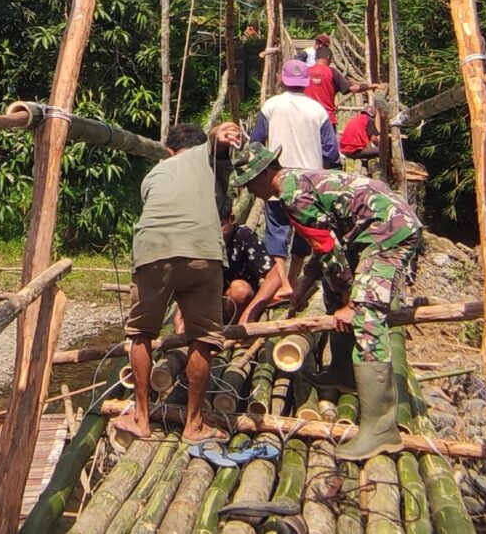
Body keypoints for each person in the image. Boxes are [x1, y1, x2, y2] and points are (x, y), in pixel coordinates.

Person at [230, 143, 423, 460]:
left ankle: (382, 429)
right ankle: (344, 371)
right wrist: (306, 282)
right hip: (370, 227)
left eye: (250, 180)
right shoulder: (295, 184)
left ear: (266, 172)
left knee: (365, 317)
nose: (251, 188)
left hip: (388, 230)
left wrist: (351, 301)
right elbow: (324, 238)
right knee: (333, 292)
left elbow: (329, 250)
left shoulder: (293, 196)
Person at [114, 120, 242, 443]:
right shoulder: (206, 155)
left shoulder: (153, 174)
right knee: (203, 338)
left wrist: (218, 138)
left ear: (169, 151)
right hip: (201, 252)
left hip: (152, 252)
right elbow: (216, 145)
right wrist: (221, 133)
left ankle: (142, 417)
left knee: (141, 332)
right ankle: (194, 423)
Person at [307, 36, 340, 121]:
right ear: (328, 57)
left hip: (309, 117)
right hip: (327, 117)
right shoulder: (331, 72)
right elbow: (352, 88)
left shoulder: (306, 71)